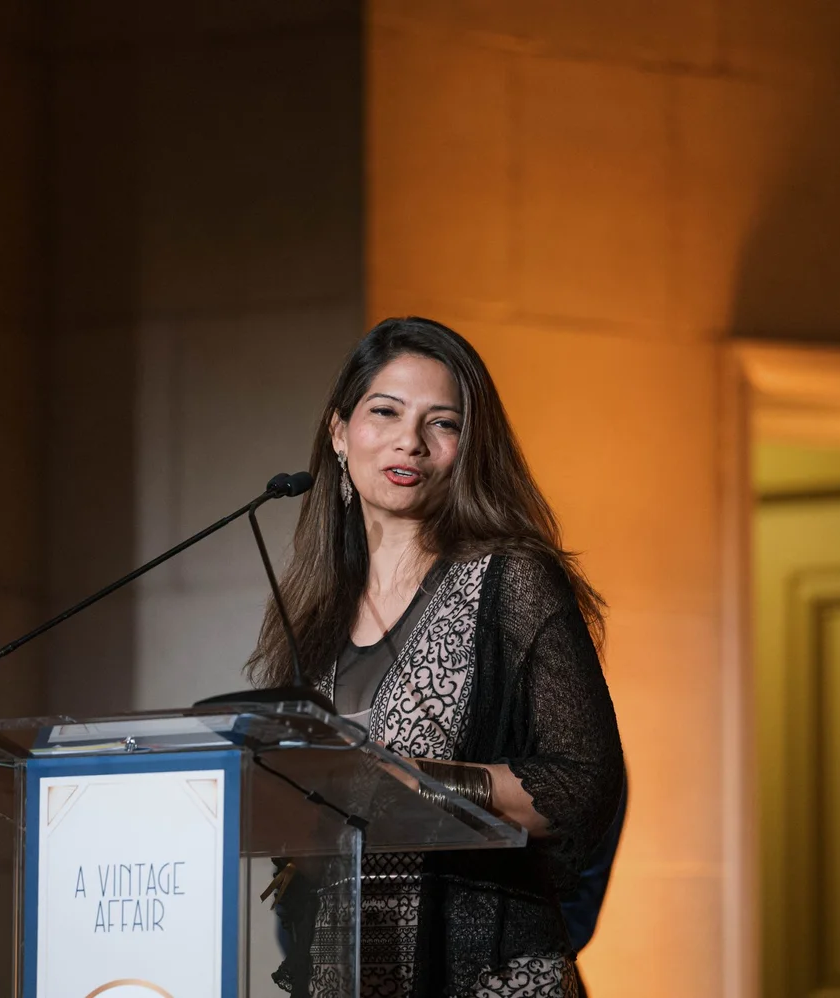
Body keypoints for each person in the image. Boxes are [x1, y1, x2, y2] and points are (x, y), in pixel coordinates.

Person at [247, 317, 626, 998]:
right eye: (385, 412)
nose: (409, 442)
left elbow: (582, 788)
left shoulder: (510, 580)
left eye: (441, 423)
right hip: (348, 973)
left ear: (466, 446)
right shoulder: (310, 615)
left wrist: (406, 782)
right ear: (340, 432)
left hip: (489, 973)